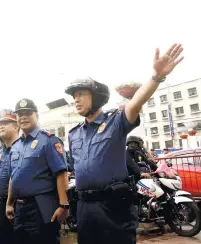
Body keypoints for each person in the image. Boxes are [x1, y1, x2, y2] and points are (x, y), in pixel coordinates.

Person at [66, 43, 184, 244]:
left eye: (81, 95)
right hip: (85, 207)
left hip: (112, 207)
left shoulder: (115, 122)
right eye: (74, 97)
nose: (76, 100)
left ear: (96, 97)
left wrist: (156, 77)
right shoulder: (74, 134)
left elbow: (136, 103)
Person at [5, 98, 69, 244]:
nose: (23, 117)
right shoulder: (16, 146)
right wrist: (9, 203)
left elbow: (61, 173)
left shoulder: (48, 140)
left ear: (37, 116)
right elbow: (13, 177)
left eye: (28, 113)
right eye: (20, 114)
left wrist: (64, 205)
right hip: (20, 209)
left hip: (41, 208)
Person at [0, 109, 19, 244]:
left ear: (16, 126)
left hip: (17, 204)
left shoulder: (21, 147)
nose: (1, 126)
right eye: (0, 124)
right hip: (1, 203)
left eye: (6, 123)